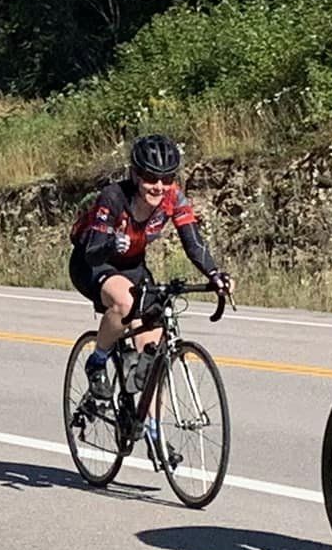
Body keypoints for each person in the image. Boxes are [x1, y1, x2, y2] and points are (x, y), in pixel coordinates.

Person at [67, 134, 232, 400]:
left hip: (133, 266)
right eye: (150, 178)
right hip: (93, 263)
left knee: (155, 355)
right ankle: (97, 362)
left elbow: (193, 243)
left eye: (167, 179)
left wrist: (214, 274)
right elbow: (93, 252)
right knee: (126, 303)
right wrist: (111, 244)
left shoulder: (173, 198)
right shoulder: (114, 197)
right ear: (135, 175)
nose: (159, 186)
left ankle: (153, 432)